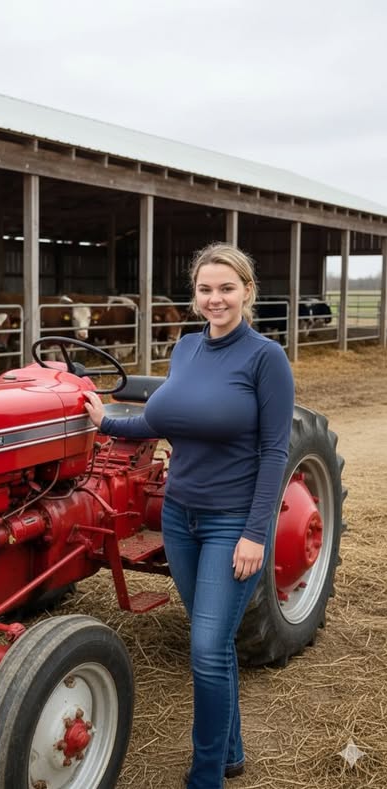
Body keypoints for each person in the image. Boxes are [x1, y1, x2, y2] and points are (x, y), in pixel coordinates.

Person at [84, 243, 295, 789]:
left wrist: (254, 533)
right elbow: (162, 421)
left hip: (231, 524)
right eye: (205, 289)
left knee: (204, 648)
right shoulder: (185, 349)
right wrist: (105, 420)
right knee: (215, 639)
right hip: (178, 518)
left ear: (247, 291)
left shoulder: (265, 358)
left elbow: (274, 452)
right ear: (194, 295)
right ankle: (230, 752)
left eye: (227, 288)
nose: (215, 298)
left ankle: (206, 777)